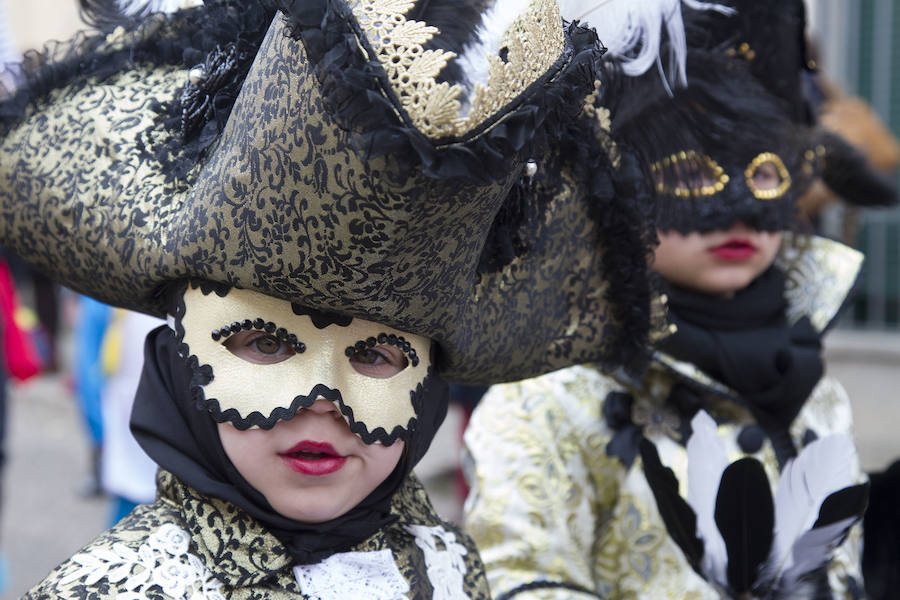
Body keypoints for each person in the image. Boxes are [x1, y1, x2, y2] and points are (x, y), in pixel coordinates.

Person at [0, 0, 659, 597]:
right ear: (177, 364)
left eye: (376, 355)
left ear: (429, 387)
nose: (324, 398)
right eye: (263, 340)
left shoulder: (449, 568)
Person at [462, 6, 885, 597]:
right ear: (615, 186)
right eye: (690, 171)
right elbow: (518, 576)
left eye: (764, 173)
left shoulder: (816, 392)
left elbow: (839, 571)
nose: (738, 208)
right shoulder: (550, 394)